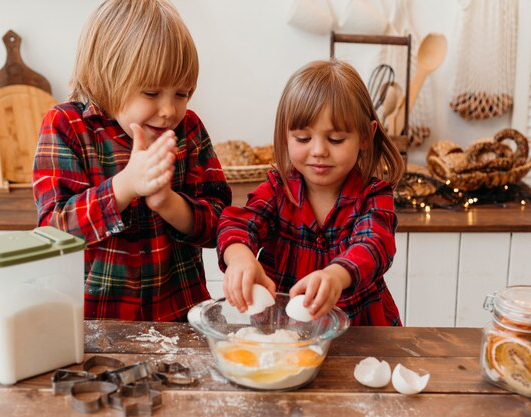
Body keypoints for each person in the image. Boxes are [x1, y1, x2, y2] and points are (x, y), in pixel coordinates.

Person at [33, 0, 231, 321]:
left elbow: (219, 225)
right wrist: (125, 185)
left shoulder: (189, 129)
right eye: (151, 93)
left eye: (182, 94)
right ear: (105, 77)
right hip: (97, 323)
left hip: (180, 316)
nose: (169, 110)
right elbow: (53, 233)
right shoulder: (66, 125)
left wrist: (168, 203)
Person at [217, 59, 405, 326]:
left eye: (335, 139)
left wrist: (336, 277)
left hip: (360, 334)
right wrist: (239, 258)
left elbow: (373, 244)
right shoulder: (276, 191)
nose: (318, 150)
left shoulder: (373, 197)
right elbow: (237, 223)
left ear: (366, 136)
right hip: (282, 334)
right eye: (303, 139)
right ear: (285, 136)